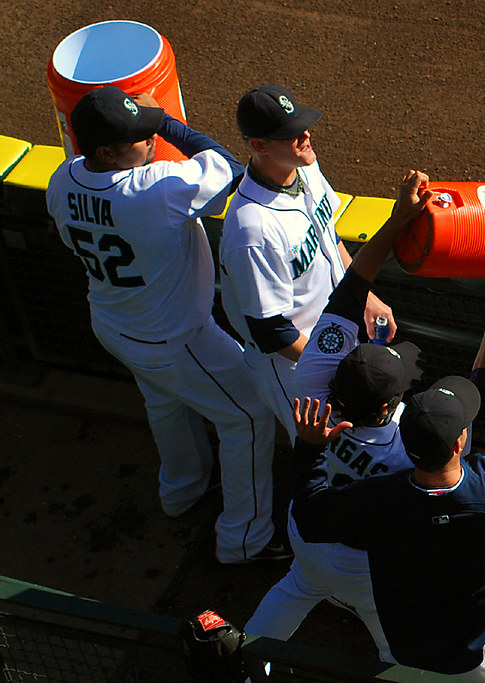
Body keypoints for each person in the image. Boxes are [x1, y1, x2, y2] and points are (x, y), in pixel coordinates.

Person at [45, 85, 283, 564]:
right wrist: (167, 122)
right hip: (175, 338)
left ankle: (181, 492)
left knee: (165, 400)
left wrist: (144, 126)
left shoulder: (62, 180)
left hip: (115, 324)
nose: (150, 140)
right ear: (107, 152)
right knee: (250, 414)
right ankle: (243, 541)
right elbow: (230, 169)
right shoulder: (154, 189)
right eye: (138, 136)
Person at [290, 275, 485, 680]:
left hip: (413, 650)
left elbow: (309, 518)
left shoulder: (377, 500)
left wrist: (309, 447)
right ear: (459, 444)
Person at [244, 169, 433, 660]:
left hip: (306, 539)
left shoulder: (311, 381)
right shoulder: (406, 450)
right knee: (394, 638)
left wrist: (394, 223)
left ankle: (241, 662)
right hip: (365, 569)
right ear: (390, 407)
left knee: (294, 589)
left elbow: (351, 288)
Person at [219, 84, 393, 440]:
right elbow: (271, 331)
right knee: (327, 455)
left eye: (303, 125)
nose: (305, 136)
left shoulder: (303, 167)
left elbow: (329, 238)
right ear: (259, 145)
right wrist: (334, 367)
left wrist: (366, 297)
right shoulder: (252, 229)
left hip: (333, 341)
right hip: (294, 367)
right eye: (291, 134)